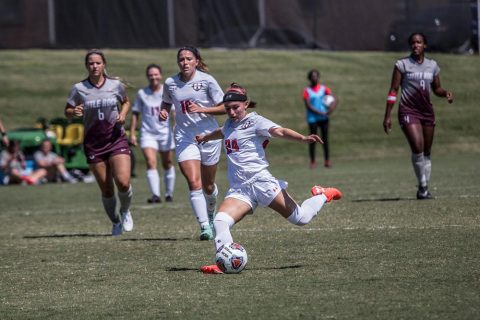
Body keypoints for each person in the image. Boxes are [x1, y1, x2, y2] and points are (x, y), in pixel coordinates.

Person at [196, 83, 342, 274]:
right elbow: (221, 132)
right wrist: (205, 138)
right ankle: (224, 263)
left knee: (302, 218)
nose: (231, 112)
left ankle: (322, 194)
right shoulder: (229, 124)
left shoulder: (256, 122)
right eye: (228, 108)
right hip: (240, 189)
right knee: (220, 221)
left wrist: (302, 138)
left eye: (235, 108)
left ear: (246, 104)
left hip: (262, 183)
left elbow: (279, 131)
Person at [65, 49, 134, 236]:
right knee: (106, 188)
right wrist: (74, 112)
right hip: (93, 143)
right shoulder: (79, 88)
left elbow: (126, 102)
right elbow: (68, 111)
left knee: (123, 182)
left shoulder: (115, 85)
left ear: (104, 64)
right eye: (91, 63)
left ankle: (126, 211)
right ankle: (115, 221)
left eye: (97, 63)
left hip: (115, 138)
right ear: (86, 66)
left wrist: (122, 114)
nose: (94, 66)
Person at [159, 46, 225, 241]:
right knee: (194, 182)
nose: (185, 62)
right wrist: (164, 111)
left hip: (209, 136)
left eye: (189, 59)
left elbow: (224, 107)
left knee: (209, 186)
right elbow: (166, 102)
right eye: (181, 59)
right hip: (184, 137)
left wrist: (204, 109)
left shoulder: (207, 80)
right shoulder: (170, 83)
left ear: (196, 61)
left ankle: (211, 214)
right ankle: (205, 227)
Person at [383, 33, 453, 200]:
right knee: (417, 146)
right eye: (413, 43)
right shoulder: (402, 65)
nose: (416, 45)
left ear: (425, 45)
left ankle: (424, 188)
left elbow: (437, 88)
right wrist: (387, 116)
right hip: (408, 110)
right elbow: (393, 91)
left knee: (427, 152)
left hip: (427, 112)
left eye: (419, 42)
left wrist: (445, 93)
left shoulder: (432, 65)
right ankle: (422, 186)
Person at [130, 64, 176, 203]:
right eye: (150, 75)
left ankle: (168, 193)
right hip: (148, 133)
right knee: (151, 162)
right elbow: (135, 113)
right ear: (147, 77)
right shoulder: (142, 93)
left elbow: (175, 112)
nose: (153, 77)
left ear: (160, 75)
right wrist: (132, 133)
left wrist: (176, 127)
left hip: (165, 133)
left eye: (156, 74)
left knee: (167, 162)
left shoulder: (167, 91)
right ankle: (155, 195)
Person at [303, 69, 338, 169]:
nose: (314, 78)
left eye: (316, 76)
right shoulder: (307, 90)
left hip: (324, 118)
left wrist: (332, 108)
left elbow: (333, 98)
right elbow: (308, 105)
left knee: (325, 139)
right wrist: (319, 112)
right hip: (313, 118)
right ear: (309, 78)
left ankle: (327, 161)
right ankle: (312, 161)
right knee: (312, 140)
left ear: (318, 77)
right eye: (312, 76)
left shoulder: (324, 88)